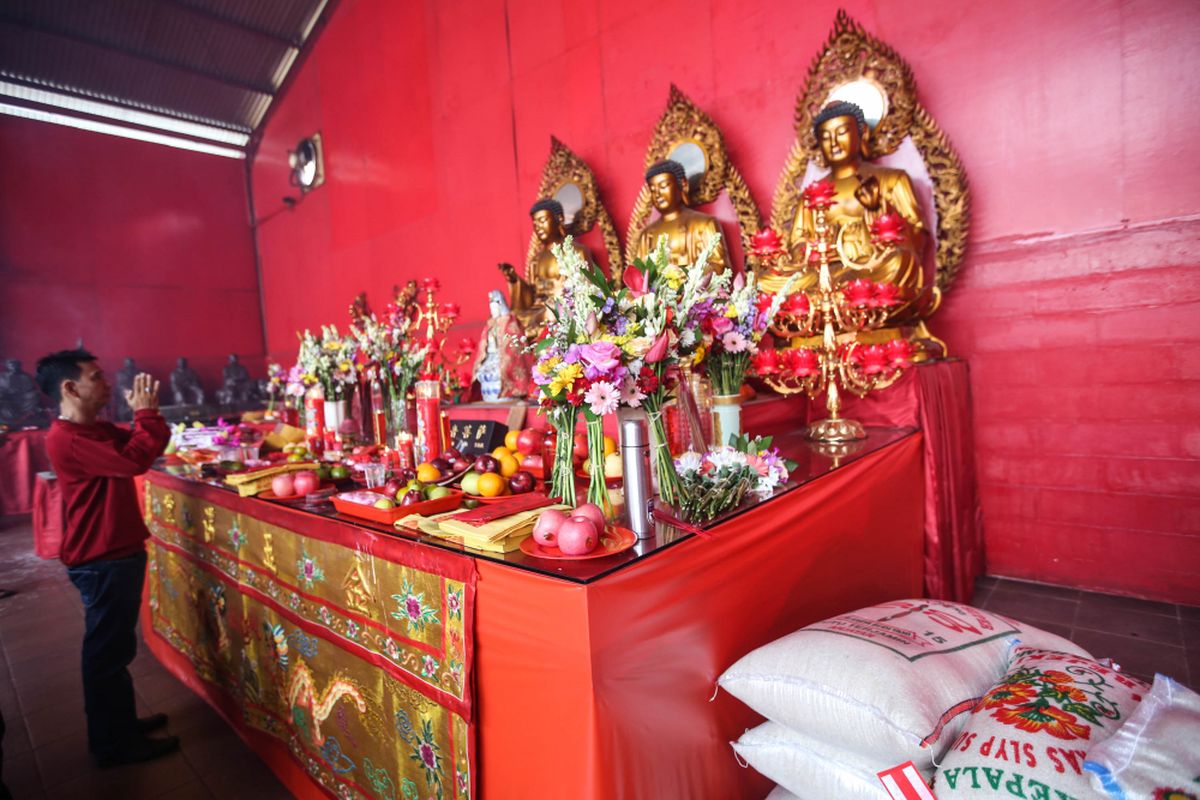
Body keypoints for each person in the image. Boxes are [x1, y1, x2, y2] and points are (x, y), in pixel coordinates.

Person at [35, 349, 178, 768]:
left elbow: (146, 447)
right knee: (106, 655)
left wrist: (146, 419)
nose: (107, 383)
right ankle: (112, 744)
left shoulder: (93, 430)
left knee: (113, 651)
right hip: (102, 558)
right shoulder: (69, 439)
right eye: (96, 376)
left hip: (114, 554)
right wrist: (146, 415)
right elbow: (134, 459)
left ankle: (120, 726)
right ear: (69, 387)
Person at [766, 100, 930, 320]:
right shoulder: (810, 195)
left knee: (901, 261)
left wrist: (880, 210)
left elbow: (917, 236)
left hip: (872, 268)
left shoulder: (891, 179)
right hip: (825, 274)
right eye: (825, 137)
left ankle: (841, 302)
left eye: (842, 132)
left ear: (861, 133)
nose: (833, 142)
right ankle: (835, 300)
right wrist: (813, 253)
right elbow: (797, 243)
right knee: (765, 282)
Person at [499, 198, 598, 332]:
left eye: (542, 220)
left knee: (551, 314)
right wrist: (514, 280)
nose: (538, 227)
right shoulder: (536, 260)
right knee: (509, 319)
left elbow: (588, 289)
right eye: (534, 223)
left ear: (559, 219)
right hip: (539, 311)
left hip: (564, 309)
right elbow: (532, 297)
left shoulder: (577, 251)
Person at [632, 159, 729, 275]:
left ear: (683, 184)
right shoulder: (647, 235)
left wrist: (686, 278)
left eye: (663, 186)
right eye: (653, 190)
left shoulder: (705, 223)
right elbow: (639, 277)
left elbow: (720, 265)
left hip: (695, 291)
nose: (657, 194)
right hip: (657, 293)